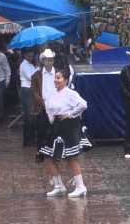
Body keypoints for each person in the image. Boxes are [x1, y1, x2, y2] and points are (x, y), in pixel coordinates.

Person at [39, 67, 92, 198]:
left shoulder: (70, 93)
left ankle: (81, 186)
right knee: (49, 157)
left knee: (70, 157)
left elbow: (83, 104)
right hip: (56, 127)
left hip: (68, 126)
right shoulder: (53, 94)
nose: (56, 80)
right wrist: (51, 118)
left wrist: (70, 114)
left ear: (65, 80)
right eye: (55, 78)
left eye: (59, 78)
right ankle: (59, 186)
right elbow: (48, 107)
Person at [31, 49, 56, 163]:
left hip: (56, 106)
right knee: (41, 130)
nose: (49, 62)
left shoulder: (58, 73)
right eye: (47, 60)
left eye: (51, 60)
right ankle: (40, 152)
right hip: (43, 106)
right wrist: (43, 103)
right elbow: (35, 92)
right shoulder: (36, 75)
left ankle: (54, 152)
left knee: (55, 131)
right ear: (43, 61)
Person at [19, 49, 39, 146]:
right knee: (28, 115)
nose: (31, 57)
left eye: (32, 56)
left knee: (32, 115)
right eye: (29, 56)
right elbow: (31, 77)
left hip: (31, 89)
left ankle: (31, 138)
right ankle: (27, 140)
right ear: (25, 55)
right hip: (27, 90)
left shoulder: (31, 64)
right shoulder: (24, 65)